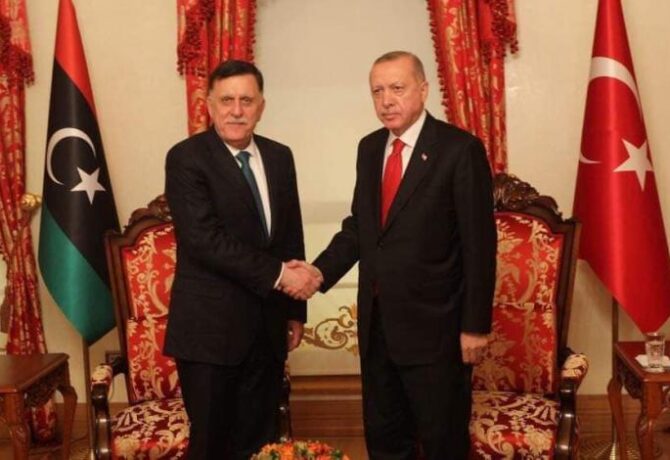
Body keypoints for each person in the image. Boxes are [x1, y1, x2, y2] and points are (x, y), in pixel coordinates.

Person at [291, 51, 497, 459]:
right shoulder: (369, 149)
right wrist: (317, 272)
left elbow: (480, 245)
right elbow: (361, 228)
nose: (386, 100)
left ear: (423, 89)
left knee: (441, 443)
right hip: (378, 327)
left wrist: (475, 327)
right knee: (385, 440)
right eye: (377, 91)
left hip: (437, 331)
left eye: (397, 88)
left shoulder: (460, 150)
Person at [163, 60, 321, 460]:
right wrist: (282, 276)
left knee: (262, 446)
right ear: (209, 105)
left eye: (246, 101)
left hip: (267, 329)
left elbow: (290, 234)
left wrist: (295, 310)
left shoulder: (280, 156)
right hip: (210, 334)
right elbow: (204, 241)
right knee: (212, 446)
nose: (236, 110)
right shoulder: (186, 158)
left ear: (261, 106)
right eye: (227, 100)